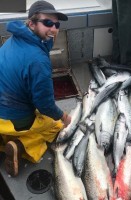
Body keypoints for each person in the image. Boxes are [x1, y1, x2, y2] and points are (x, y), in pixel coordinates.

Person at [0, 0, 71, 177]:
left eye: (56, 24)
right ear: (31, 23)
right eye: (47, 22)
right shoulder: (38, 61)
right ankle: (20, 145)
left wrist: (47, 35)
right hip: (13, 117)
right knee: (54, 125)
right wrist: (65, 117)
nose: (54, 28)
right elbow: (45, 104)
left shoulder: (13, 39)